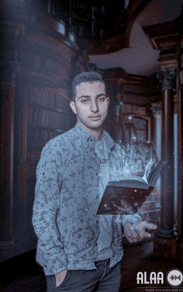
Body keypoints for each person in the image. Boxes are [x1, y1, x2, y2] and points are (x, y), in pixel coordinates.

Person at [32, 71, 157, 292]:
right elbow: (43, 214)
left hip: (111, 264)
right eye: (85, 100)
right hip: (72, 270)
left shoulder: (116, 150)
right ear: (73, 106)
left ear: (108, 101)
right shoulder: (57, 150)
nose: (94, 108)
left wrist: (130, 223)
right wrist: (58, 268)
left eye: (100, 99)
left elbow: (118, 206)